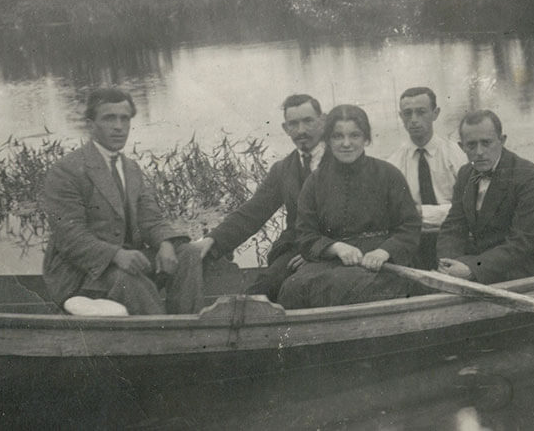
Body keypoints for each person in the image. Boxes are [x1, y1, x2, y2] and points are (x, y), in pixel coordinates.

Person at [41, 88, 204, 315]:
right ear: (91, 125)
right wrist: (116, 255)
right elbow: (70, 236)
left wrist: (165, 243)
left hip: (127, 263)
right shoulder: (67, 171)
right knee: (130, 279)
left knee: (188, 254)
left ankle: (188, 326)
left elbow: (150, 219)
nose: (119, 126)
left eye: (124, 119)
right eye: (109, 118)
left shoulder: (131, 169)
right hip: (83, 273)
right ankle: (164, 335)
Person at [277, 104, 423, 309]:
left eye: (354, 135)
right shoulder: (315, 181)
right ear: (327, 140)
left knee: (355, 288)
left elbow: (409, 226)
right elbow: (305, 235)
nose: (346, 144)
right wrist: (334, 247)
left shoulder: (388, 174)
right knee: (293, 287)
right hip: (333, 261)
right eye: (338, 136)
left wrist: (385, 251)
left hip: (383, 263)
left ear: (366, 139)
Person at [193, 94, 328, 301]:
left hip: (337, 249)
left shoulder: (343, 160)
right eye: (294, 124)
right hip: (295, 251)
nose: (301, 131)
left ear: (323, 120)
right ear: (285, 129)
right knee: (259, 292)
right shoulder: (283, 169)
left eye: (308, 121)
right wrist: (213, 239)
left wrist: (320, 251)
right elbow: (252, 213)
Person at [436, 110, 534, 284]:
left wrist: (473, 268)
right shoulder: (465, 174)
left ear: (502, 141)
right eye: (471, 145)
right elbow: (453, 226)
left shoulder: (527, 176)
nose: (479, 152)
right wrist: (448, 263)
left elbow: (522, 242)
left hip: (529, 263)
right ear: (461, 146)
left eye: (486, 143)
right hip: (488, 259)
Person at [386, 87, 467, 269]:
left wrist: (421, 213)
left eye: (421, 112)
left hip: (455, 236)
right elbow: (396, 218)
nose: (414, 120)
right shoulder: (394, 164)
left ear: (435, 113)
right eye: (408, 113)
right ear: (401, 117)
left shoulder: (457, 155)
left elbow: (469, 209)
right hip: (415, 242)